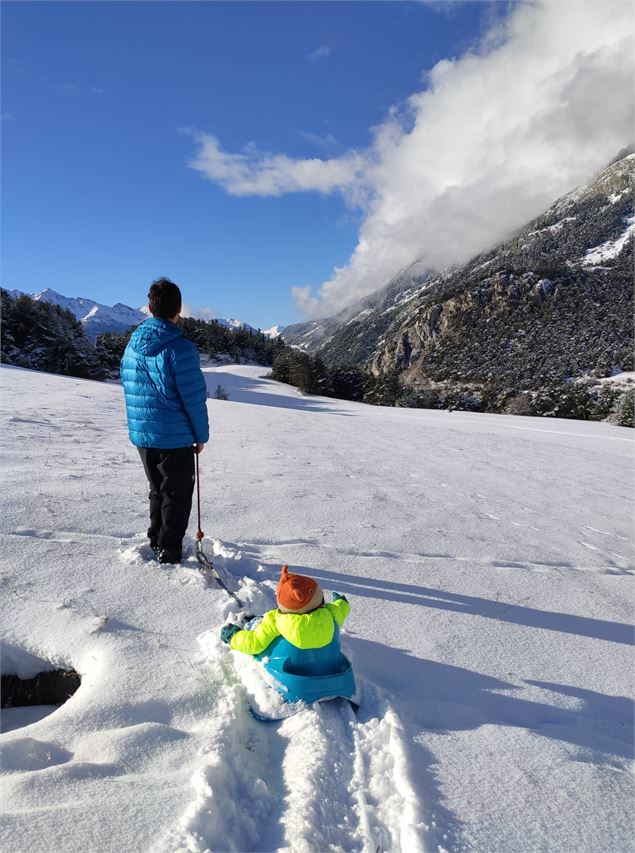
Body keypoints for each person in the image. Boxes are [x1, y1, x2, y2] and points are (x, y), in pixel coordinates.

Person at [120, 277, 209, 564]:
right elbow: (193, 397)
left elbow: (127, 381)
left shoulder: (132, 345)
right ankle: (168, 550)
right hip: (175, 436)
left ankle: (156, 539)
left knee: (157, 488)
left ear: (149, 307)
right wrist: (201, 435)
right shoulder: (180, 348)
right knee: (177, 493)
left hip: (143, 433)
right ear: (179, 308)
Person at [221, 565, 350, 659]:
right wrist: (341, 601)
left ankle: (248, 624)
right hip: (328, 666)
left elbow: (254, 643)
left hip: (293, 670)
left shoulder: (276, 621)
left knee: (259, 627)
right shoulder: (330, 612)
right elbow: (341, 610)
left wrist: (233, 637)